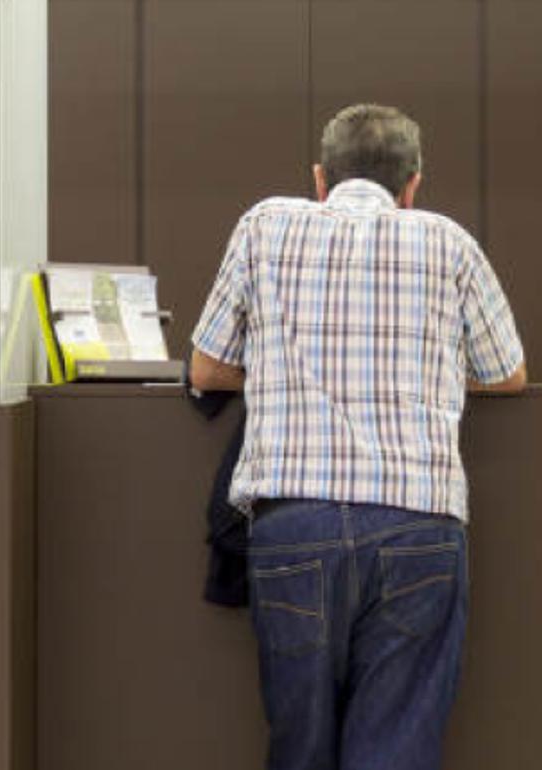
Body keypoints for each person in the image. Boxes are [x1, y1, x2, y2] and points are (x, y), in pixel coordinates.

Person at [189, 103, 526, 770]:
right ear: (413, 185)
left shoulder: (264, 226)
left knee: (299, 742)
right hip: (419, 521)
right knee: (398, 743)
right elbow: (508, 373)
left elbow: (206, 367)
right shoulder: (449, 242)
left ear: (320, 177)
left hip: (294, 521)